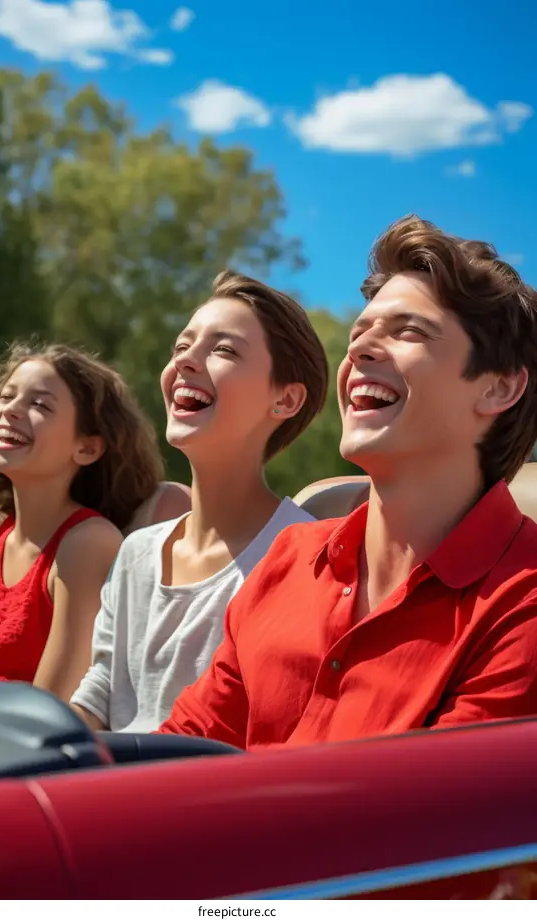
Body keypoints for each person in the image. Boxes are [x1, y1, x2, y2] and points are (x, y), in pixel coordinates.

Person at [156, 214, 537, 751]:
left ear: (498, 388)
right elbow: (185, 751)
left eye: (408, 332)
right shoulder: (287, 560)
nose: (358, 350)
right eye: (360, 333)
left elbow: (429, 823)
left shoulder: (523, 605)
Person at [70, 270, 329, 732]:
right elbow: (102, 688)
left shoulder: (305, 558)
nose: (186, 361)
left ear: (285, 399)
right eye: (181, 346)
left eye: (224, 349)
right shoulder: (136, 552)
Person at [0, 342, 190, 702]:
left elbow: (51, 705)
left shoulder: (86, 543)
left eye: (39, 404)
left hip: (23, 744)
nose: (10, 410)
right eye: (6, 397)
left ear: (87, 448)